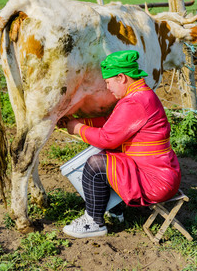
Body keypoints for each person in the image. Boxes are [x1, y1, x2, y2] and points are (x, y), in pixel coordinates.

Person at [61, 50, 181, 238]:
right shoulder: (140, 95)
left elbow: (107, 137)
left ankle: (93, 222)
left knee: (96, 164)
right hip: (160, 172)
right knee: (112, 159)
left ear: (121, 77)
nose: (108, 88)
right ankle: (116, 211)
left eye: (108, 82)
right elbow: (113, 123)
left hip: (155, 181)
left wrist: (77, 128)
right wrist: (82, 122)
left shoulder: (135, 102)